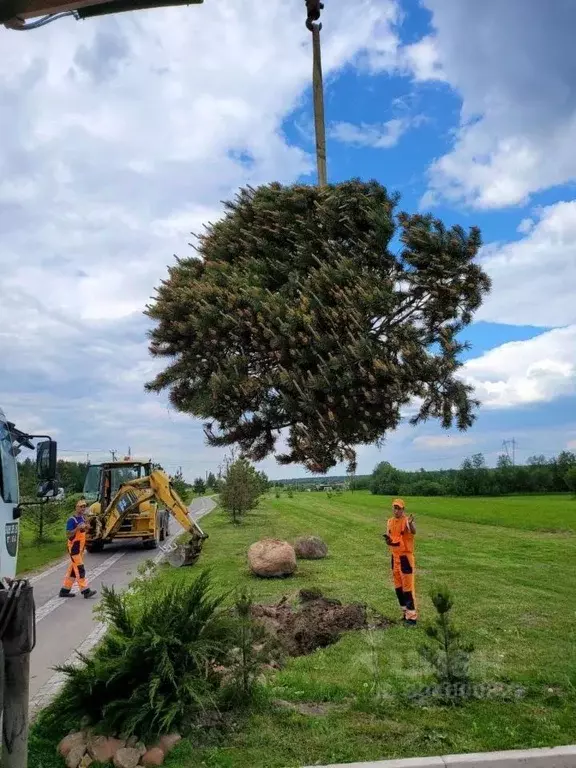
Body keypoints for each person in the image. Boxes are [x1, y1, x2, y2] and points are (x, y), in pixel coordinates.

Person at [383, 498, 417, 626]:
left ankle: (412, 618)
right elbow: (390, 538)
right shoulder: (390, 522)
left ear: (403, 510)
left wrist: (411, 523)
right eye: (394, 508)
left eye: (399, 508)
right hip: (394, 558)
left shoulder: (407, 521)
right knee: (398, 588)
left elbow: (413, 531)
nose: (396, 510)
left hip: (405, 558)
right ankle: (405, 613)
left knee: (407, 588)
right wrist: (387, 540)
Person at [59, 499, 97, 599]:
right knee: (80, 569)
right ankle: (85, 590)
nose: (83, 508)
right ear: (76, 507)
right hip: (74, 548)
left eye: (84, 506)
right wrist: (77, 528)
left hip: (80, 549)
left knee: (73, 570)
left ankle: (65, 590)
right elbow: (68, 534)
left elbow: (86, 529)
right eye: (81, 506)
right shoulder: (72, 520)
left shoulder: (82, 518)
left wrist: (87, 526)